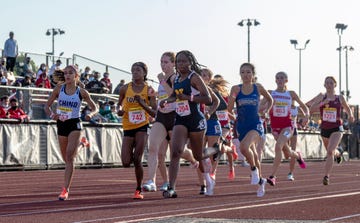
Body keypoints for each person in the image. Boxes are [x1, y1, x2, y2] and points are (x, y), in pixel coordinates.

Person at [142, 52, 199, 193]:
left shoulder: (175, 78)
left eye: (166, 62)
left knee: (178, 151)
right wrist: (152, 97)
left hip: (175, 117)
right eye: (161, 62)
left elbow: (174, 95)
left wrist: (162, 82)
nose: (163, 65)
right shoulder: (162, 79)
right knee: (155, 149)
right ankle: (153, 181)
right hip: (162, 117)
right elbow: (160, 99)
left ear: (173, 64)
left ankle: (193, 159)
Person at [159, 50, 212, 198]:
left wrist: (189, 97)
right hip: (181, 119)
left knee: (198, 154)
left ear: (190, 62)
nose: (181, 64)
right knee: (176, 152)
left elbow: (207, 99)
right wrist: (166, 101)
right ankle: (171, 188)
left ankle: (214, 151)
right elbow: (175, 96)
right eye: (178, 61)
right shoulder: (176, 79)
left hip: (195, 119)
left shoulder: (194, 77)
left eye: (184, 61)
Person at [44, 65, 98, 200]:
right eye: (66, 73)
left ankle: (65, 189)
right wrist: (52, 115)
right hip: (61, 124)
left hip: (75, 123)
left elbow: (94, 107)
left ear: (76, 76)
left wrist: (91, 114)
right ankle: (82, 144)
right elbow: (47, 106)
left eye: (70, 73)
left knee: (69, 157)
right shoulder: (59, 89)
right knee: (66, 158)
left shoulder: (81, 92)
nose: (67, 75)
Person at [227, 62, 273, 197]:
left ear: (253, 74)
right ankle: (261, 182)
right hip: (242, 125)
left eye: (248, 72)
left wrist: (266, 111)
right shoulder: (235, 89)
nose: (245, 75)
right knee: (251, 152)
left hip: (256, 124)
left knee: (244, 147)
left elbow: (270, 100)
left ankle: (253, 170)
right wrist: (234, 116)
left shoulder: (258, 88)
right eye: (243, 72)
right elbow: (229, 109)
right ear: (239, 74)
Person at [117, 62, 157, 199]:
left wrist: (142, 103)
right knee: (126, 162)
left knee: (137, 159)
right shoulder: (125, 88)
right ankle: (138, 186)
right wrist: (119, 110)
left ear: (144, 73)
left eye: (138, 70)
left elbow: (154, 112)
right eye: (133, 70)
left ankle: (138, 189)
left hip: (142, 125)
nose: (135, 72)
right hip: (128, 126)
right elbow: (119, 103)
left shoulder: (149, 89)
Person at [266, 71, 309, 187]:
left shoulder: (291, 94)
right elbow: (262, 104)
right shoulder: (270, 93)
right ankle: (297, 156)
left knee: (278, 146)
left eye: (282, 78)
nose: (280, 80)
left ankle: (272, 176)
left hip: (288, 126)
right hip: (275, 127)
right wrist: (261, 111)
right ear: (275, 80)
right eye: (278, 78)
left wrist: (306, 115)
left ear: (286, 80)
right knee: (287, 152)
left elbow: (303, 106)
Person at [309, 76, 354, 185]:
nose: (329, 85)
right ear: (324, 85)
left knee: (329, 151)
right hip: (324, 128)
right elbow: (311, 109)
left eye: (331, 83)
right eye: (327, 83)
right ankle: (339, 154)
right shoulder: (321, 96)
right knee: (332, 152)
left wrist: (351, 115)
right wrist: (323, 103)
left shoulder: (340, 98)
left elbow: (347, 108)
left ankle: (326, 176)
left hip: (337, 128)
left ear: (335, 85)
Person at [287, 100, 306, 181]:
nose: (291, 101)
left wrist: (303, 120)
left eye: (293, 99)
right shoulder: (285, 106)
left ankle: (290, 173)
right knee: (287, 153)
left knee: (293, 149)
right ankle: (298, 156)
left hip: (293, 130)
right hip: (284, 130)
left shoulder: (297, 108)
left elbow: (305, 115)